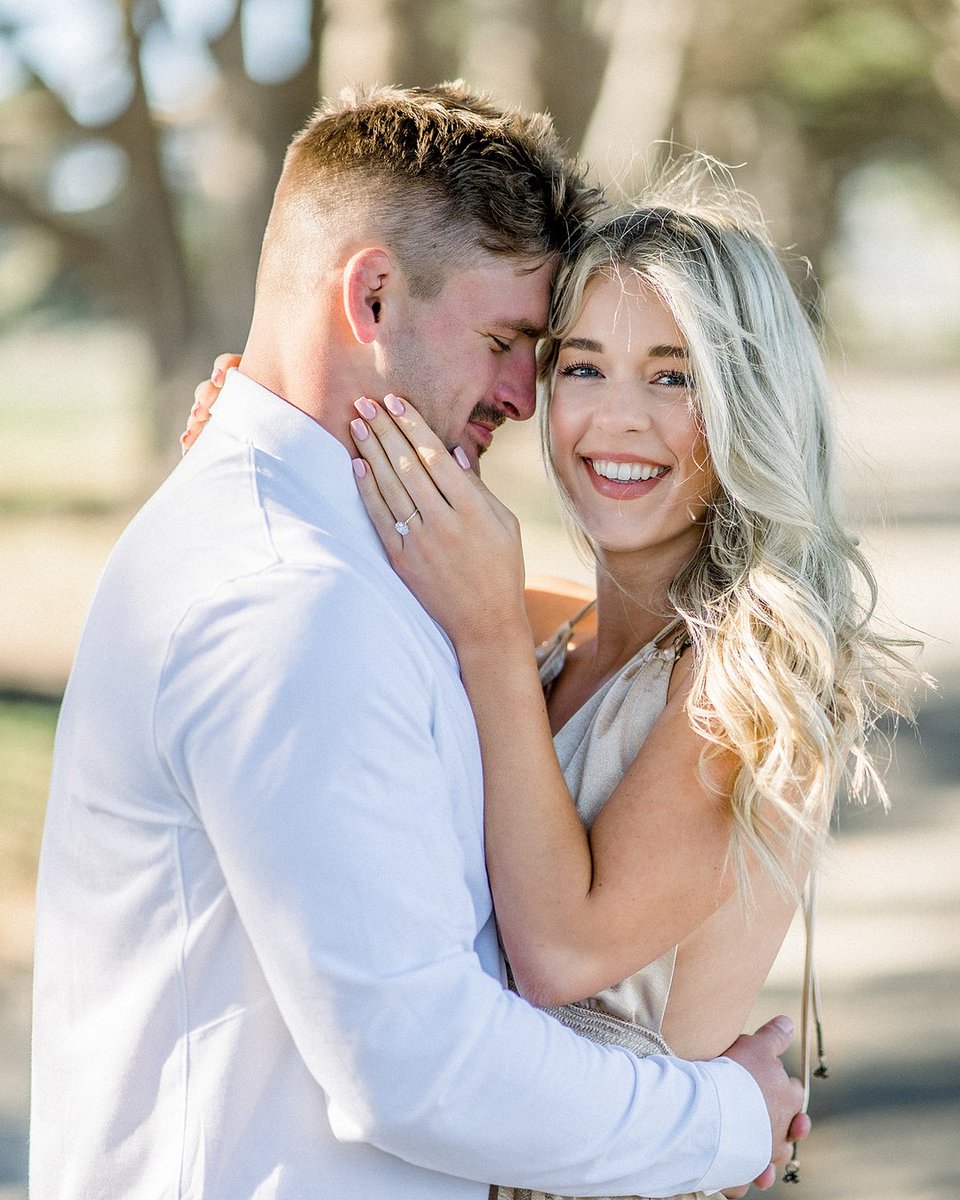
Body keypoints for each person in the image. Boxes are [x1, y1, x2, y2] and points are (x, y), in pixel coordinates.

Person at [32, 86, 806, 1200]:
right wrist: (731, 1121)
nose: (527, 401)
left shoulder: (357, 560)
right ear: (374, 294)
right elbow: (416, 1065)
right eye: (521, 347)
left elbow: (542, 625)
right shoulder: (293, 596)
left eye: (668, 374)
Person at [309, 168, 919, 1198]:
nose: (616, 420)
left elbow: (560, 953)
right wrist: (287, 423)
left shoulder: (749, 677)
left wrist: (494, 637)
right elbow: (398, 576)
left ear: (747, 399)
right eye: (583, 368)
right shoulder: (565, 631)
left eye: (674, 377)